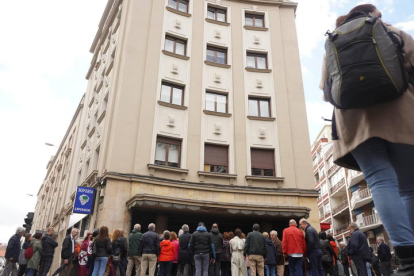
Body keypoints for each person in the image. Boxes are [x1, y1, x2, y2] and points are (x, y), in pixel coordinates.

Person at [320, 3, 414, 276]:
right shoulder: (390, 31)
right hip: (399, 110)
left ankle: (408, 258)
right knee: (408, 186)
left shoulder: (333, 41)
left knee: (379, 179)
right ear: (374, 15)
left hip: (353, 120)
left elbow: (327, 93)